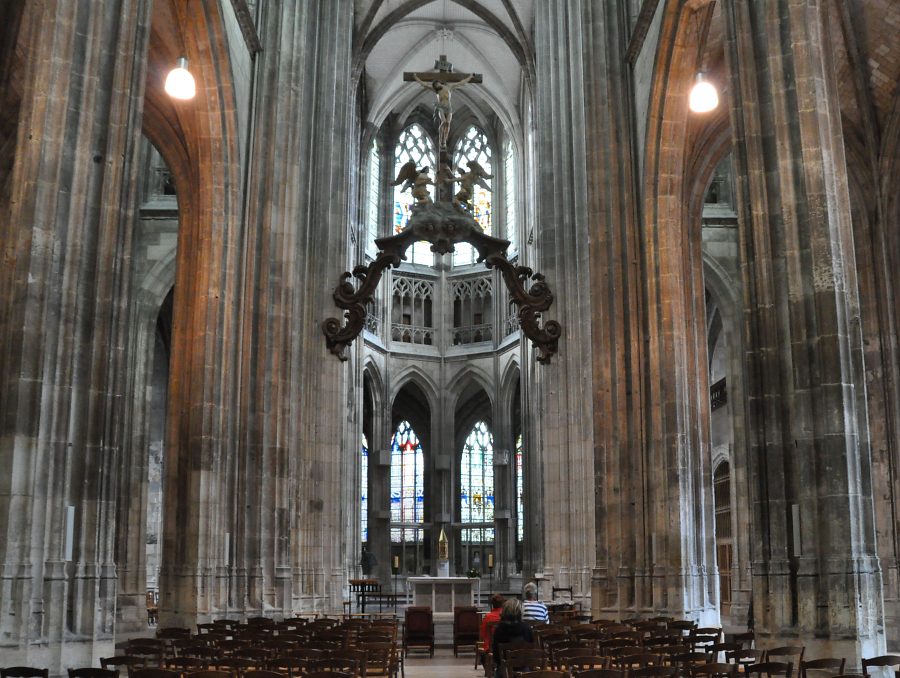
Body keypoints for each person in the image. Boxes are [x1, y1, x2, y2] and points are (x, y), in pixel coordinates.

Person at [413, 73, 474, 149]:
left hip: (449, 108)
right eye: (435, 86)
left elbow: (461, 83)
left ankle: (444, 140)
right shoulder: (436, 91)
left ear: (438, 82)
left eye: (436, 84)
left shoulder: (449, 87)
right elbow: (424, 84)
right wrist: (416, 77)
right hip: (441, 107)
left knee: (448, 123)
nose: (436, 86)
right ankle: (441, 137)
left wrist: (470, 77)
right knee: (444, 122)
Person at [491, 598, 533, 678]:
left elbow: (496, 656)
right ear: (520, 611)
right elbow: (531, 652)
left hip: (504, 672)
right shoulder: (526, 629)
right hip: (523, 671)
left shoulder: (499, 629)